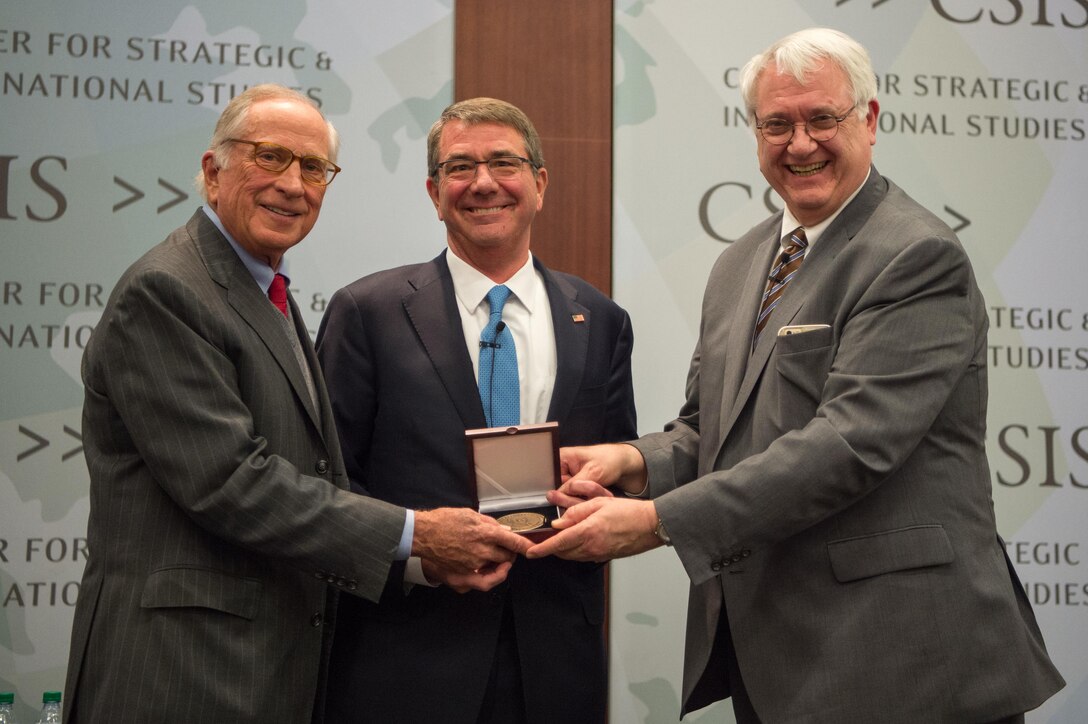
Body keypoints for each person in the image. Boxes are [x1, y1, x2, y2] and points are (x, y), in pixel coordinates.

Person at [527, 28, 1065, 723]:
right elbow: (711, 432)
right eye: (777, 123)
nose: (799, 143)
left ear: (869, 121)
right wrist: (630, 461)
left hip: (906, 661)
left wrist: (659, 521)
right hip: (782, 657)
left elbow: (847, 444)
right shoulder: (741, 265)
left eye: (821, 119)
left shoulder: (915, 255)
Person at [62, 84, 529, 724]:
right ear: (212, 169)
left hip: (261, 669)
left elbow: (315, 474)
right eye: (271, 157)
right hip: (179, 674)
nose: (293, 184)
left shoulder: (266, 290)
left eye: (314, 168)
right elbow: (230, 481)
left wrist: (421, 560)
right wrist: (418, 535)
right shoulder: (168, 291)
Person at [316, 97, 636, 723]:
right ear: (434, 193)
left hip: (556, 664)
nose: (484, 183)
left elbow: (619, 471)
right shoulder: (367, 312)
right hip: (405, 659)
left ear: (539, 184)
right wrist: (419, 558)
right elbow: (327, 482)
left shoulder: (600, 319)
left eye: (504, 163)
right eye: (460, 167)